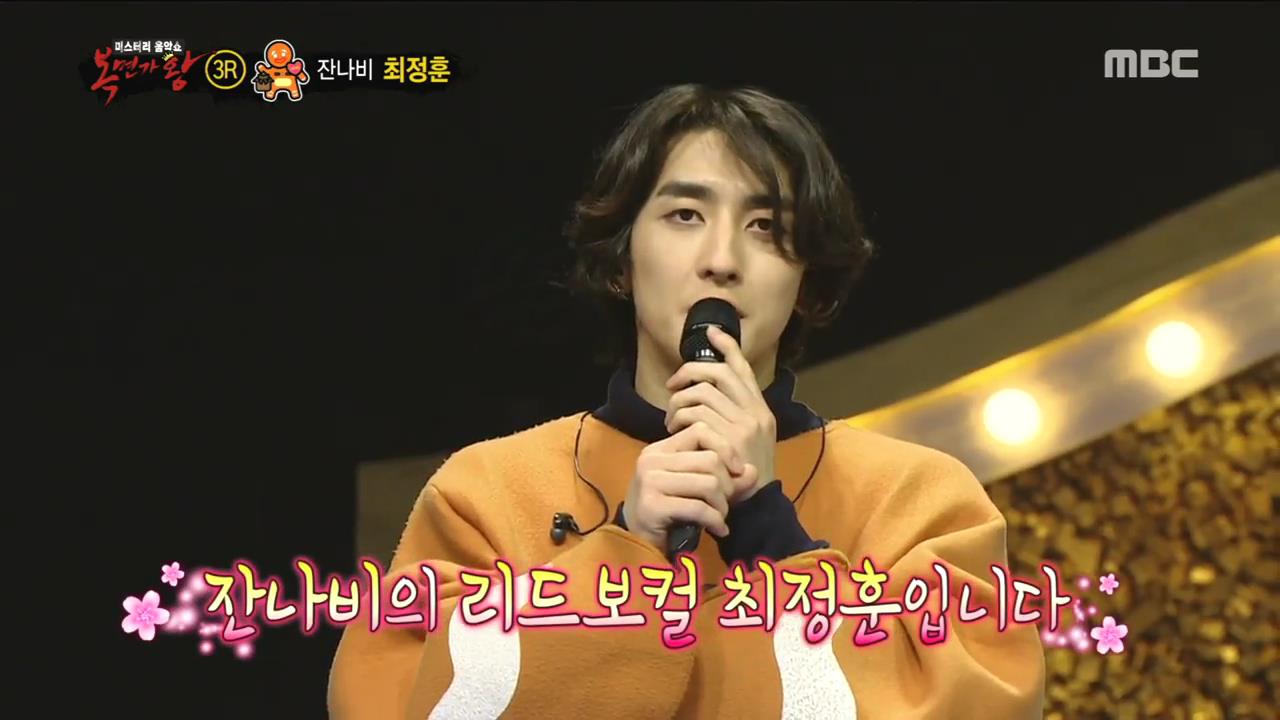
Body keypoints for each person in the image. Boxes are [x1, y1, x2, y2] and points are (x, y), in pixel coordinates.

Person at [328, 83, 1046, 718]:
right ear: (621, 261)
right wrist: (626, 546)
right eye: (684, 216)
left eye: (767, 228)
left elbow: (977, 705)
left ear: (808, 283)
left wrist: (768, 529)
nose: (722, 260)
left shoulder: (918, 499)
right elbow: (410, 702)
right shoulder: (483, 493)